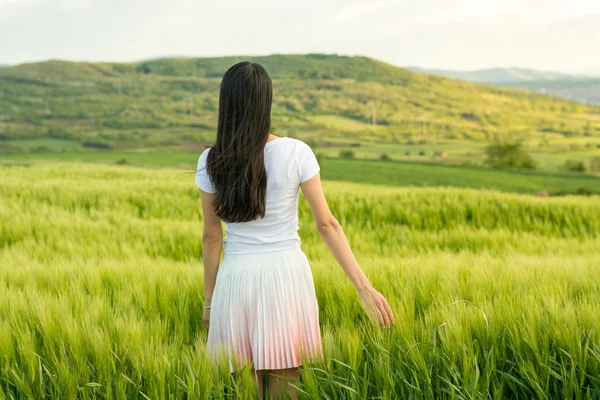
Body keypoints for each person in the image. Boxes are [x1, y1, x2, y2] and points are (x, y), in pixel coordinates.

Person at [195, 61, 395, 399]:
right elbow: (327, 224)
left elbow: (212, 236)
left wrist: (210, 302)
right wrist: (363, 287)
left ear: (225, 102)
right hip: (285, 275)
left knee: (245, 380)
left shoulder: (210, 159)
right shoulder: (295, 152)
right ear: (267, 102)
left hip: (236, 278)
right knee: (287, 379)